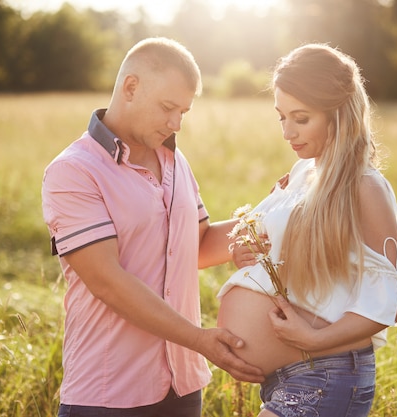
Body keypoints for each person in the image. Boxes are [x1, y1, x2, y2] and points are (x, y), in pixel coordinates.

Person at [41, 37, 263, 417]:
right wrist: (200, 340)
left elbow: (198, 244)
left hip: (183, 386)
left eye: (184, 112)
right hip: (109, 394)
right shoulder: (73, 171)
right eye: (168, 107)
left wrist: (275, 213)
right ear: (131, 87)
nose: (176, 123)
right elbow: (108, 282)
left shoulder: (176, 161)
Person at [217, 43, 397, 417]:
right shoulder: (304, 176)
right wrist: (248, 257)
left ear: (338, 115)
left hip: (322, 377)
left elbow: (396, 297)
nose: (287, 132)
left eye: (301, 118)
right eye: (281, 117)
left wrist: (314, 339)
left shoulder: (364, 186)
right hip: (290, 377)